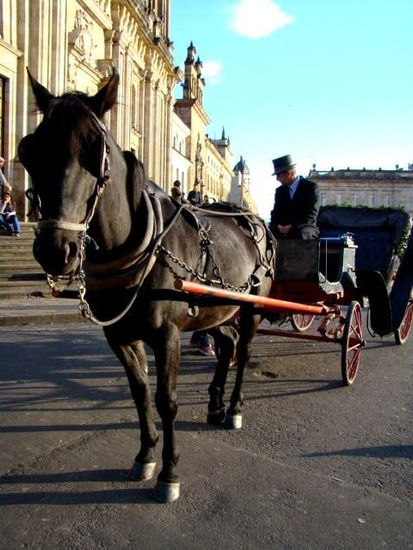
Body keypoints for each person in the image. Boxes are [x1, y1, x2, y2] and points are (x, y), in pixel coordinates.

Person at [269, 154, 320, 239]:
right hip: (282, 228)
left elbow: (310, 215)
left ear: (288, 174)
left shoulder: (310, 188)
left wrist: (292, 227)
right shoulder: (280, 191)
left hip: (304, 227)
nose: (277, 179)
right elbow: (275, 213)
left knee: (300, 233)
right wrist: (278, 226)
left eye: (279, 175)